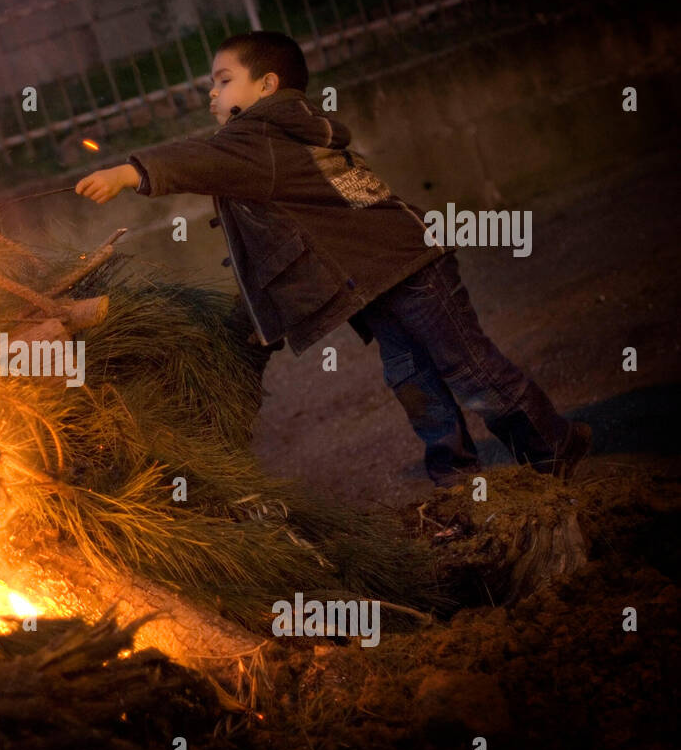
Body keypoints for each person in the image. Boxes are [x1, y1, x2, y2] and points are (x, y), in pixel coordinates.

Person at [74, 31, 592, 487]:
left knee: (468, 367)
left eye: (224, 79)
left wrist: (129, 172)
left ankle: (553, 446)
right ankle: (455, 477)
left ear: (267, 87)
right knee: (412, 379)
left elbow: (199, 159)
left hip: (411, 269)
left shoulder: (261, 137)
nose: (212, 91)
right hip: (374, 278)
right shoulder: (280, 135)